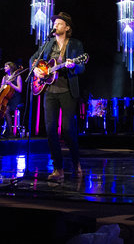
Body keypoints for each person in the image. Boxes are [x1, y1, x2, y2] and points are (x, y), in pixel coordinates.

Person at [32, 12, 86, 181]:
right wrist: (36, 70)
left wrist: (73, 66)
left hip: (67, 90)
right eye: (54, 23)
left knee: (68, 129)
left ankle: (76, 162)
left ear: (67, 27)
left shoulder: (75, 44)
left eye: (59, 23)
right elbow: (34, 59)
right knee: (50, 130)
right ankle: (58, 169)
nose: (55, 25)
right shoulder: (48, 44)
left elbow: (82, 67)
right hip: (49, 91)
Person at [0, 61, 23, 137]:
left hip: (14, 98)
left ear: (11, 67)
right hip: (5, 98)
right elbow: (1, 89)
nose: (4, 68)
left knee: (6, 110)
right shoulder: (4, 77)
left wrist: (11, 84)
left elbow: (19, 89)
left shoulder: (17, 76)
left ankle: (10, 132)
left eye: (6, 66)